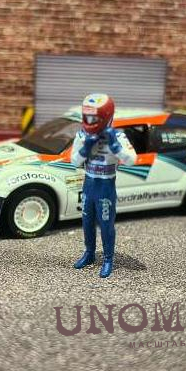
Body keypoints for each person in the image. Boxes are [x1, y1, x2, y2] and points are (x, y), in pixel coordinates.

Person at [70, 93, 136, 278]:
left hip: (106, 186)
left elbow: (131, 160)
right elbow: (74, 162)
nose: (90, 122)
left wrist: (116, 147)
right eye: (87, 117)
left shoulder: (118, 136)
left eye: (94, 118)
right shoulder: (82, 135)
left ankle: (108, 259)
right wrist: (86, 148)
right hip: (89, 184)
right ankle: (89, 253)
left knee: (106, 224)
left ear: (106, 117)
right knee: (87, 222)